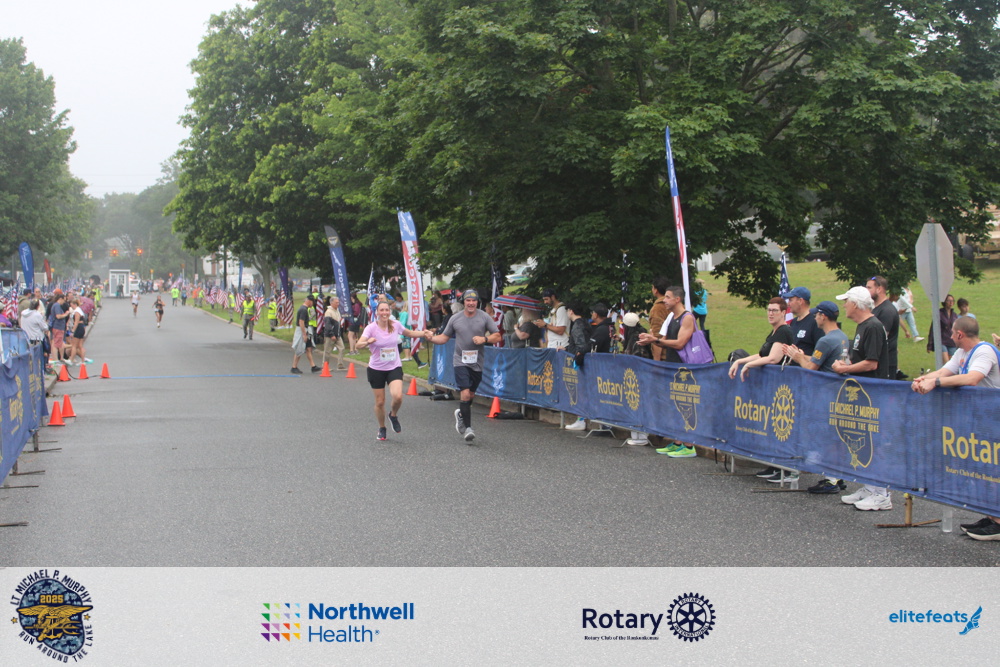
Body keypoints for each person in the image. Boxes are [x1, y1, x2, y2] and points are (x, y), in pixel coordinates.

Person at [913, 317, 1000, 540]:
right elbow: (944, 372)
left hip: (994, 420)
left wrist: (935, 383)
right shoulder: (962, 352)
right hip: (979, 421)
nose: (950, 336)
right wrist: (922, 379)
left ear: (960, 334)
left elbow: (972, 378)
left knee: (993, 471)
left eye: (952, 333)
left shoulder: (984, 351)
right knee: (982, 469)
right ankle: (992, 516)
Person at [831, 286, 891, 511]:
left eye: (846, 301)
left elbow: (872, 363)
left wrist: (844, 370)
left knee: (875, 441)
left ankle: (882, 493)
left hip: (874, 393)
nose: (844, 305)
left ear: (855, 304)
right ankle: (869, 486)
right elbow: (861, 360)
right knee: (864, 439)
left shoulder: (873, 326)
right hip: (863, 393)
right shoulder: (862, 326)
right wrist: (846, 365)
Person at [783, 301, 851, 493]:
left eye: (817, 315)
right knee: (834, 435)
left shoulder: (825, 340)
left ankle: (831, 479)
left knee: (825, 435)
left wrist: (797, 358)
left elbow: (811, 368)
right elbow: (817, 360)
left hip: (825, 394)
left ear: (824, 316)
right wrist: (801, 355)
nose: (815, 317)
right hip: (837, 393)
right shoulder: (841, 336)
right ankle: (837, 475)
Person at [728, 297, 796, 481]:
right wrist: (741, 361)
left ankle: (787, 470)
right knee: (772, 428)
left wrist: (749, 366)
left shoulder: (784, 331)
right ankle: (773, 465)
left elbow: (773, 358)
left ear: (783, 313)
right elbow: (762, 354)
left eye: (775, 310)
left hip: (782, 387)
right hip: (771, 387)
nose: (771, 313)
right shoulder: (774, 332)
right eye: (769, 310)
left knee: (781, 428)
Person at [426, 289, 501, 443]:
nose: (471, 303)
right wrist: (431, 338)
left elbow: (497, 336)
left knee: (471, 395)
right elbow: (444, 338)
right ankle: (468, 428)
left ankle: (461, 414)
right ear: (464, 302)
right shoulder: (455, 318)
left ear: (477, 302)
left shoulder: (484, 317)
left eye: (474, 301)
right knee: (465, 393)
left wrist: (484, 339)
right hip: (460, 361)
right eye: (468, 300)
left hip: (477, 362)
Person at [637, 285, 697, 457]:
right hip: (672, 367)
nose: (665, 300)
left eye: (668, 297)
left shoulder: (687, 317)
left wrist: (656, 340)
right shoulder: (671, 316)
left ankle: (689, 447)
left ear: (677, 299)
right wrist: (650, 340)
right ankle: (678, 442)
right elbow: (662, 340)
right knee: (674, 407)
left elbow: (679, 343)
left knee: (685, 407)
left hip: (685, 370)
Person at [356, 301, 426, 440]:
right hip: (376, 369)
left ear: (390, 311)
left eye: (386, 310)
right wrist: (368, 342)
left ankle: (393, 415)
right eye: (381, 310)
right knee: (380, 402)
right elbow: (358, 344)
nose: (384, 313)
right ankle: (382, 427)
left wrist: (424, 333)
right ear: (377, 312)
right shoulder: (371, 328)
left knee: (398, 396)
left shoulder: (396, 325)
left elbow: (409, 333)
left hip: (394, 367)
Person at [564, 301, 593, 431]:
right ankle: (581, 419)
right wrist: (566, 348)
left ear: (571, 311)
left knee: (580, 391)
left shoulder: (577, 326)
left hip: (580, 362)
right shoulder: (586, 323)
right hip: (585, 361)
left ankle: (581, 420)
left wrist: (578, 356)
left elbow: (581, 345)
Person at [867, 275, 900, 380]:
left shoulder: (886, 310)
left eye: (869, 287)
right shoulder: (875, 308)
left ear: (879, 289)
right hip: (878, 363)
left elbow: (880, 338)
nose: (866, 291)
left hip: (885, 365)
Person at [781, 286, 821, 357]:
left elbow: (821, 353)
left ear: (800, 301)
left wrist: (802, 357)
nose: (788, 304)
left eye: (790, 300)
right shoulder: (793, 322)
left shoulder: (815, 322)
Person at [291, 295, 319, 374]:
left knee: (308, 349)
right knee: (299, 349)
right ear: (309, 301)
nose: (312, 304)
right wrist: (304, 334)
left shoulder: (304, 309)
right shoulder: (303, 309)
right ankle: (294, 367)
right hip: (302, 331)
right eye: (312, 302)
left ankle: (313, 366)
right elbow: (301, 322)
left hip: (305, 331)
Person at [928, 294, 958, 362]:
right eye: (949, 301)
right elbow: (933, 329)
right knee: (946, 362)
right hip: (942, 341)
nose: (951, 302)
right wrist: (930, 344)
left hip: (952, 342)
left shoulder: (954, 315)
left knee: (952, 364)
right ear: (944, 301)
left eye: (952, 301)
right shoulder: (939, 314)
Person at [323, 296, 346, 370]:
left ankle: (340, 364)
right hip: (330, 335)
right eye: (336, 303)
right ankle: (325, 366)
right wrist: (331, 334)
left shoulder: (337, 311)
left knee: (342, 348)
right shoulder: (328, 312)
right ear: (331, 303)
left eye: (338, 302)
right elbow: (328, 325)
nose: (338, 304)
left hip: (337, 334)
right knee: (327, 351)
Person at [67, 298, 91, 365]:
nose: (71, 306)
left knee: (74, 345)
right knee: (80, 346)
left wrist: (72, 331)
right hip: (81, 327)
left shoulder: (77, 311)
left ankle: (71, 360)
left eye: (71, 305)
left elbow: (76, 322)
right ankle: (83, 361)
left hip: (78, 328)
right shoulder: (79, 310)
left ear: (74, 304)